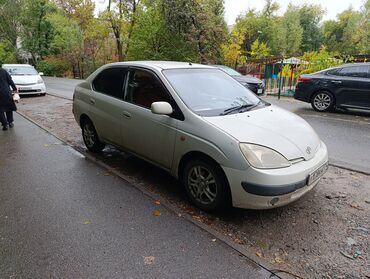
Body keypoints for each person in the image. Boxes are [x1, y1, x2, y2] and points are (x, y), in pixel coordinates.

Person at [0, 64, 18, 131]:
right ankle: (10, 122)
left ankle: (5, 124)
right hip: (6, 93)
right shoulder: (3, 71)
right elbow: (10, 81)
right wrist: (15, 89)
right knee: (8, 108)